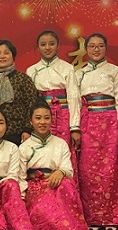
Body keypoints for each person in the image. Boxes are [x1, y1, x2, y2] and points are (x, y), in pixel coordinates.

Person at [75, 33, 118, 230]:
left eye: (100, 46)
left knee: (111, 170)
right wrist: (76, 128)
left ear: (106, 48)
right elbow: (75, 103)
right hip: (88, 124)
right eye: (92, 46)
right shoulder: (79, 74)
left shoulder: (114, 71)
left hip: (110, 123)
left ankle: (111, 218)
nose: (96, 49)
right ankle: (92, 218)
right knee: (88, 172)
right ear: (86, 49)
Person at [19, 100, 89, 230]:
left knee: (67, 184)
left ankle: (67, 229)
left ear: (51, 120)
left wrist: (60, 172)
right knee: (43, 207)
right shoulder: (24, 147)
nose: (42, 122)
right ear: (31, 121)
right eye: (38, 118)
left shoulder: (61, 144)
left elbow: (68, 169)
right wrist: (22, 198)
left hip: (56, 185)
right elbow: (20, 177)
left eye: (46, 118)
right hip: (34, 187)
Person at [25, 30, 81, 164]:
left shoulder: (67, 68)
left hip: (63, 116)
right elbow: (29, 102)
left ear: (58, 46)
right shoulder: (31, 71)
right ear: (38, 47)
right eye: (43, 44)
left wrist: (74, 127)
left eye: (51, 44)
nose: (47, 48)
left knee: (63, 153)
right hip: (41, 118)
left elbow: (74, 98)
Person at [0, 39, 38, 146]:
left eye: (6, 53)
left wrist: (27, 130)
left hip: (19, 135)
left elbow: (32, 106)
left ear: (13, 56)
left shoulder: (24, 79)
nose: (2, 56)